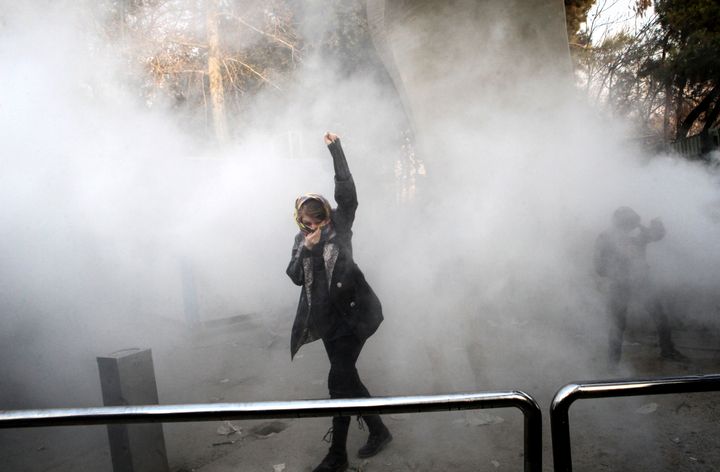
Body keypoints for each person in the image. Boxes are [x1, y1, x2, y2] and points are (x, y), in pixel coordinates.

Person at [286, 132, 392, 472]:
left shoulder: (340, 228)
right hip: (327, 324)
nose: (313, 227)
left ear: (328, 217)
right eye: (308, 223)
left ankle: (337, 456)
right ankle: (379, 431)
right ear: (301, 220)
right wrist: (307, 248)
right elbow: (294, 276)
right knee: (349, 379)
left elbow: (348, 196)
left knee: (338, 382)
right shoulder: (300, 241)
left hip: (355, 319)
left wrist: (336, 149)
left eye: (319, 221)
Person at [594, 206, 688, 365]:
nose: (631, 227)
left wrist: (657, 224)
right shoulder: (605, 237)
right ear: (620, 223)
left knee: (660, 316)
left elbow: (657, 235)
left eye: (633, 223)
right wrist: (619, 271)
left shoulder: (637, 234)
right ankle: (613, 362)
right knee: (617, 324)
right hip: (620, 285)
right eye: (628, 223)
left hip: (642, 282)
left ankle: (667, 351)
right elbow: (599, 268)